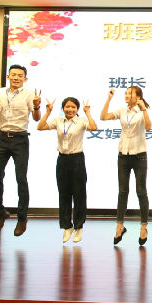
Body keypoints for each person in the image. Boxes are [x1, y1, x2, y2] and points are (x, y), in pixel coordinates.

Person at [0, 64, 41, 236]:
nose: (16, 78)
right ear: (8, 76)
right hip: (2, 138)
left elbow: (36, 118)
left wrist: (37, 106)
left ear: (25, 79)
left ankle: (22, 218)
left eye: (20, 75)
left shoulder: (29, 94)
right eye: (13, 75)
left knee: (21, 178)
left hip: (20, 139)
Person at [37, 97, 97, 243]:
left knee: (79, 194)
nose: (70, 110)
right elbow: (41, 126)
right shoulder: (58, 121)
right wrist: (48, 112)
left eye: (73, 107)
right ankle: (67, 226)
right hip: (62, 159)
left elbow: (93, 127)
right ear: (63, 108)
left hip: (77, 159)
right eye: (67, 107)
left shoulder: (81, 121)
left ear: (77, 109)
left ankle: (79, 227)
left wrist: (88, 113)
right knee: (63, 194)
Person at [100, 86, 152, 245]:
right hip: (123, 154)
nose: (127, 95)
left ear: (138, 97)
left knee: (141, 191)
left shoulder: (142, 111)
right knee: (122, 191)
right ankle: (119, 226)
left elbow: (148, 127)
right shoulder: (122, 111)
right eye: (126, 93)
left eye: (130, 93)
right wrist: (109, 98)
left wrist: (144, 109)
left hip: (139, 155)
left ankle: (144, 226)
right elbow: (103, 117)